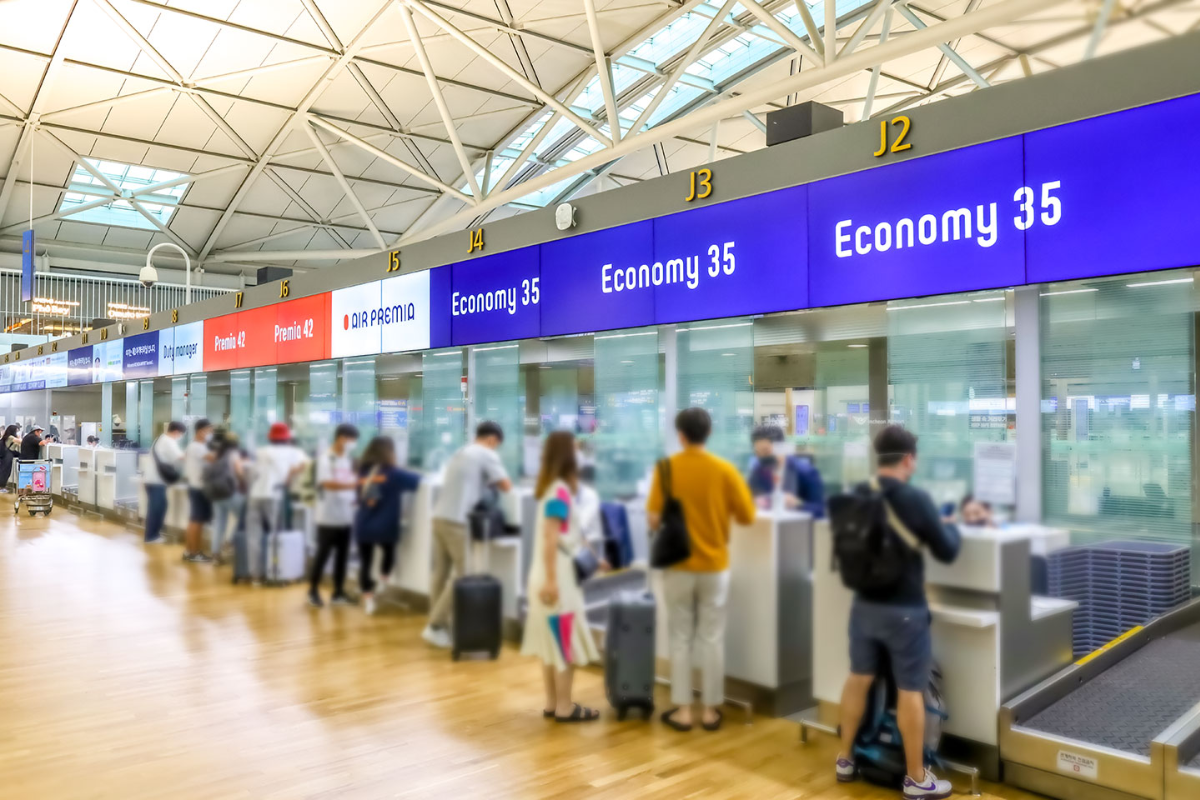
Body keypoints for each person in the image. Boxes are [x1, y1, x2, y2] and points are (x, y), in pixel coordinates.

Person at [836, 425, 961, 799]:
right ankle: (916, 778)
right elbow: (947, 551)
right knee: (910, 690)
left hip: (864, 605)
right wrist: (946, 526)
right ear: (909, 459)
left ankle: (844, 760)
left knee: (858, 678)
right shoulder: (916, 498)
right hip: (904, 609)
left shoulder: (857, 494)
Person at [648, 408, 755, 733]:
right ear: (708, 434)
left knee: (679, 637)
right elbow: (747, 515)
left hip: (678, 565)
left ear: (681, 435)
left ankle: (682, 712)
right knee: (711, 638)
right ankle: (710, 712)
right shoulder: (724, 470)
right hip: (714, 565)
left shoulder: (666, 468)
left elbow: (653, 519)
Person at [521, 431, 602, 722]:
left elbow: (567, 531)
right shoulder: (559, 491)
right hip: (557, 577)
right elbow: (550, 536)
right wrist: (553, 580)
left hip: (546, 574)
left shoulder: (550, 489)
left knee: (552, 640)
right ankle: (566, 707)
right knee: (564, 640)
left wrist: (594, 557)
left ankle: (554, 703)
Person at [423, 421, 512, 648]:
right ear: (492, 440)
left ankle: (437, 627)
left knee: (440, 573)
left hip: (439, 516)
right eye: (496, 446)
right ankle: (435, 625)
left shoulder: (461, 451)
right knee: (465, 575)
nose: (495, 450)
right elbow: (506, 485)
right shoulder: (486, 453)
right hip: (457, 521)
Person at [354, 436, 420, 615]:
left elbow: (363, 495)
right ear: (389, 452)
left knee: (365, 563)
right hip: (385, 525)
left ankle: (368, 600)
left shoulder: (362, 472)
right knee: (389, 552)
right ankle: (383, 580)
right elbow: (419, 481)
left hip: (364, 524)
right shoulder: (394, 473)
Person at [246, 422, 308, 583]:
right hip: (275, 495)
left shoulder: (261, 451)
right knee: (277, 536)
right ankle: (278, 573)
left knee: (254, 536)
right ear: (287, 438)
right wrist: (289, 475)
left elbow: (252, 472)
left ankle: (256, 576)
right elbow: (306, 465)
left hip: (255, 495)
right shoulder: (294, 452)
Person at [308, 423, 360, 609]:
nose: (353, 444)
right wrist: (353, 486)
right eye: (351, 440)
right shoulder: (325, 459)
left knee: (342, 556)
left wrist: (354, 494)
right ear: (341, 438)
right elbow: (327, 483)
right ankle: (313, 590)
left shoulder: (346, 458)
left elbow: (348, 480)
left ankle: (338, 592)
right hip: (328, 516)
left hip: (345, 515)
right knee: (323, 554)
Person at [745, 425, 825, 517]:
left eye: (766, 452)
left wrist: (797, 504)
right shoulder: (758, 470)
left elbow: (820, 510)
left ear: (781, 447)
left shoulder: (806, 473)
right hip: (766, 525)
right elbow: (747, 498)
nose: (762, 457)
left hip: (796, 527)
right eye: (757, 453)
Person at [207, 428, 247, 566]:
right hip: (230, 492)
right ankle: (229, 542)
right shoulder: (234, 454)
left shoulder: (217, 454)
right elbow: (239, 472)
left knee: (219, 523)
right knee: (242, 517)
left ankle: (215, 555)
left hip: (216, 493)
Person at [144, 421, 185, 545]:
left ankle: (154, 534)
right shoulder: (168, 441)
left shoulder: (160, 439)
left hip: (152, 479)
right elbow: (180, 457)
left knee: (158, 507)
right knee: (157, 509)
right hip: (157, 481)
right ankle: (151, 536)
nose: (180, 437)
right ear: (177, 432)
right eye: (181, 434)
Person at [183, 419, 214, 563]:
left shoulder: (194, 446)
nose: (211, 434)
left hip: (195, 486)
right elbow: (215, 459)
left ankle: (190, 551)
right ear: (201, 431)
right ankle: (194, 553)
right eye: (210, 430)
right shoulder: (198, 447)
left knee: (194, 520)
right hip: (199, 487)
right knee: (197, 521)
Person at [0, 424, 19, 491]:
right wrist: (19, 437)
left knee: (5, 471)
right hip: (7, 456)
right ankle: (1, 487)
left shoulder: (7, 437)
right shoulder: (11, 437)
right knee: (5, 471)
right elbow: (20, 441)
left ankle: (2, 486)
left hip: (6, 455)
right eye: (16, 431)